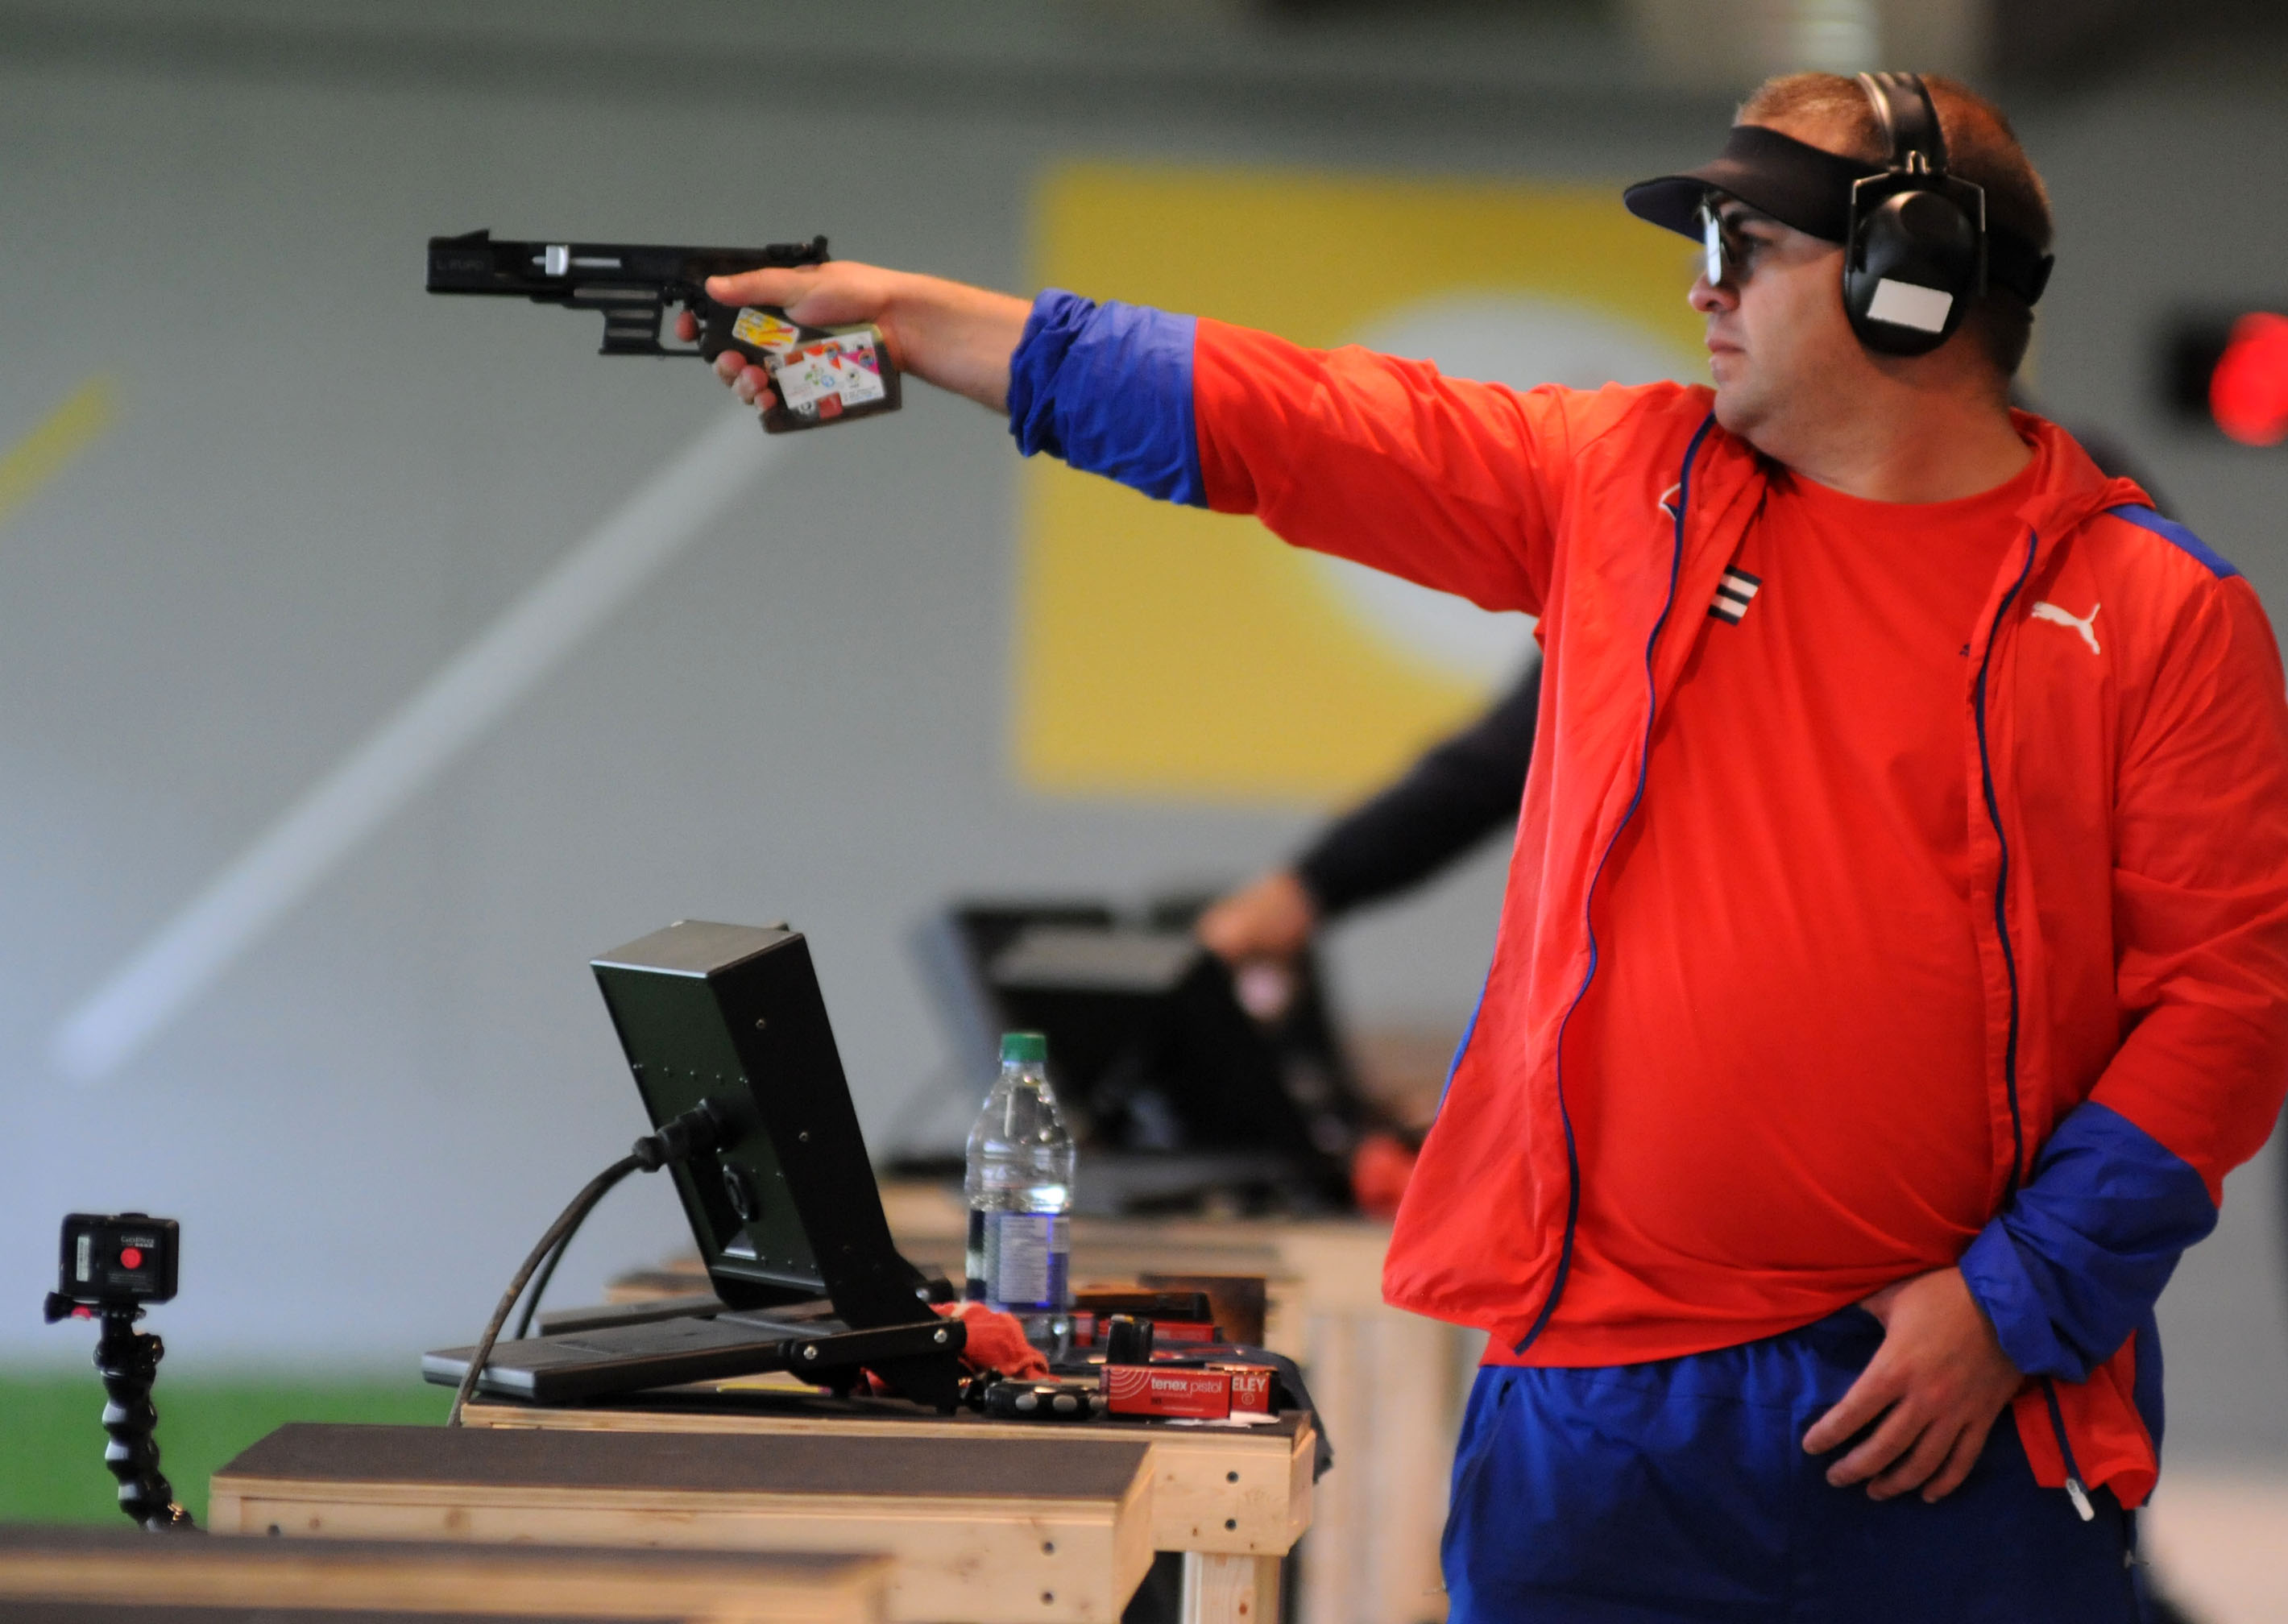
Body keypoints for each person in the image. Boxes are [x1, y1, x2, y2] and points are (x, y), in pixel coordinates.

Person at [681, 71, 2288, 1622]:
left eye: (1747, 245)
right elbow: (1288, 417)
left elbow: (2226, 1011)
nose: (1702, 287)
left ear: (1908, 273)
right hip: (1596, 1415)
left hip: (1957, 1409)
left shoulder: (2156, 614)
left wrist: (2012, 1306)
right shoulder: (1630, 488)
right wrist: (915, 322)